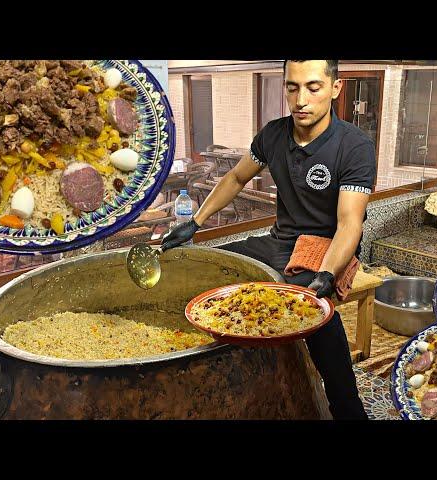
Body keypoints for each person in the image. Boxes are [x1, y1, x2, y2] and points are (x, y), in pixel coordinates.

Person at [161, 60, 376, 420]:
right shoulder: (274, 134)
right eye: (292, 87)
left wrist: (326, 273)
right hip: (279, 243)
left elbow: (349, 223)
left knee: (312, 310)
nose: (300, 99)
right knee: (210, 266)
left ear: (335, 89)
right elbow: (235, 178)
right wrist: (195, 223)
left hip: (326, 247)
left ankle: (347, 408)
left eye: (313, 87)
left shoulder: (353, 146)